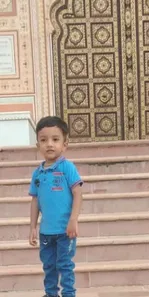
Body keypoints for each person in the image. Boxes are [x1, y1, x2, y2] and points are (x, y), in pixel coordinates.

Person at [29, 116, 83, 297]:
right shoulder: (37, 173)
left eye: (55, 139)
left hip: (65, 231)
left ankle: (69, 294)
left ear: (65, 144)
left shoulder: (67, 168)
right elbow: (35, 200)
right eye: (43, 140)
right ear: (38, 145)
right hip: (46, 232)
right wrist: (33, 227)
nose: (49, 144)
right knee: (49, 265)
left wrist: (73, 220)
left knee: (65, 265)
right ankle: (50, 294)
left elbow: (77, 193)